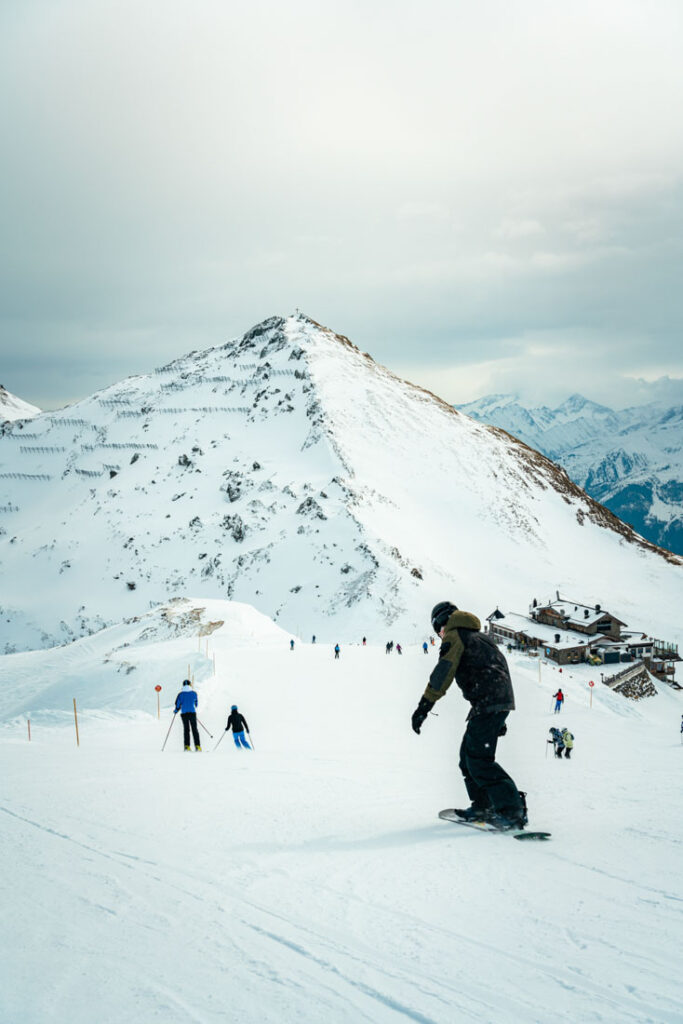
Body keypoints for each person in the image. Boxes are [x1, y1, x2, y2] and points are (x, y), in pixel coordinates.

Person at [411, 601, 527, 830]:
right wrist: (499, 710)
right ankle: (483, 805)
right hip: (491, 703)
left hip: (489, 703)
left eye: (438, 629)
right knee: (467, 758)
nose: (440, 635)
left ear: (443, 622)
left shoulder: (456, 636)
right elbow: (499, 669)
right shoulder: (481, 637)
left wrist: (423, 707)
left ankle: (511, 811)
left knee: (478, 760)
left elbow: (442, 673)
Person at [174, 679, 201, 752]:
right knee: (194, 729)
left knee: (186, 730)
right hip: (192, 713)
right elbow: (196, 704)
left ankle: (187, 746)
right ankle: (198, 746)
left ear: (183, 685)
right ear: (190, 685)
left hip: (184, 714)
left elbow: (177, 704)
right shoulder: (194, 693)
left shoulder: (180, 694)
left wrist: (176, 711)